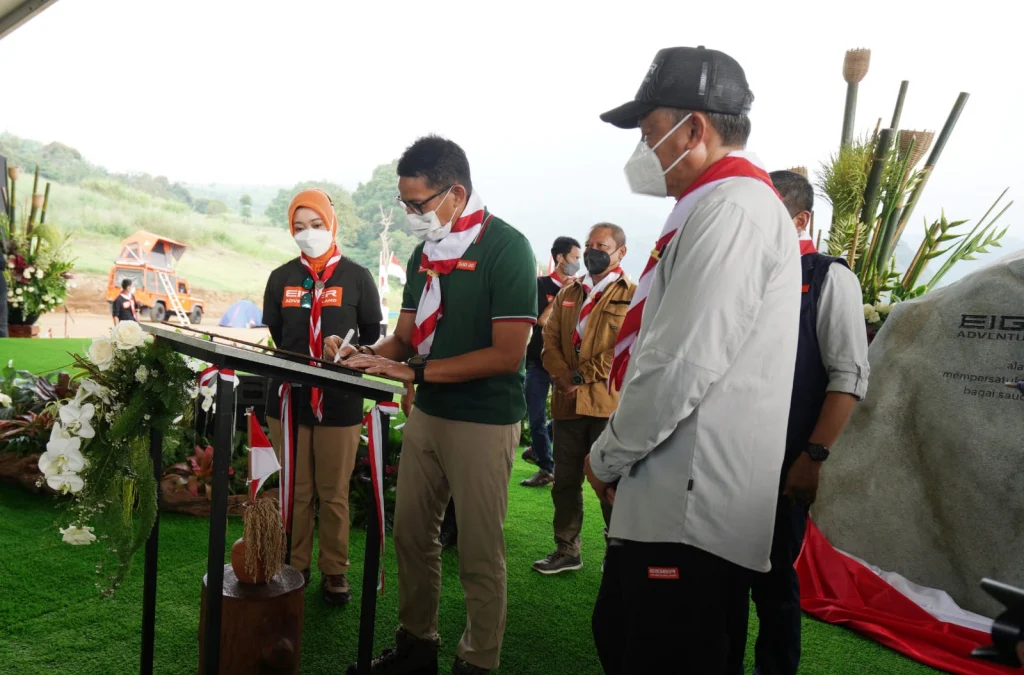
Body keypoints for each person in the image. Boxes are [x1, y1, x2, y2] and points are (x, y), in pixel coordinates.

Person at [584, 46, 801, 674]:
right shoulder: (713, 206)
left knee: (663, 653)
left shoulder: (733, 210)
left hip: (691, 510)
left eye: (651, 134)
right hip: (673, 499)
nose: (643, 153)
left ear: (695, 130)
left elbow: (680, 362)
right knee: (623, 636)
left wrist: (608, 454)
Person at [332, 135, 537, 675]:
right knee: (410, 535)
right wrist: (364, 355)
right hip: (428, 412)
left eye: (418, 204)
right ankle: (416, 645)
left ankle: (477, 660)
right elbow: (403, 340)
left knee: (477, 549)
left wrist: (413, 370)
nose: (411, 216)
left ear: (455, 193)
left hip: (484, 420)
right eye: (405, 205)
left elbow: (507, 354)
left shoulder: (507, 248)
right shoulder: (427, 254)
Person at [747, 170, 869, 675]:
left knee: (774, 584)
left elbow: (848, 377)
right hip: (727, 457)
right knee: (723, 583)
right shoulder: (741, 274)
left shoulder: (827, 277)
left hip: (787, 460)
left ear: (800, 219)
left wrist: (812, 457)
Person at [261, 188, 382, 606]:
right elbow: (277, 333)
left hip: (339, 401)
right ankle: (295, 564)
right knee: (297, 488)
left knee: (333, 492)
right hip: (289, 400)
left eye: (315, 225)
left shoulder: (357, 276)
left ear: (331, 224)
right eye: (298, 227)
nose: (307, 234)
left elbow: (371, 336)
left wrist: (348, 351)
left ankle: (334, 571)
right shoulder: (281, 278)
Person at [532, 223, 635, 574]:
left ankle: (617, 551)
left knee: (610, 483)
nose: (593, 251)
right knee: (565, 481)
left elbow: (624, 349)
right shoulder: (570, 291)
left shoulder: (632, 293)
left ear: (620, 252)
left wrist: (576, 377)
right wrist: (561, 375)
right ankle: (566, 549)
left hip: (607, 405)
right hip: (566, 403)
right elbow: (550, 338)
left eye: (601, 245)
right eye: (589, 244)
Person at [520, 235, 581, 488]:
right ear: (560, 258)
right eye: (575, 258)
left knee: (566, 414)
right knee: (534, 416)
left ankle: (538, 449)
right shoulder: (539, 285)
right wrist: (563, 293)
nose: (579, 263)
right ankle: (547, 468)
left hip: (566, 364)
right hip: (537, 360)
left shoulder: (581, 290)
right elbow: (542, 320)